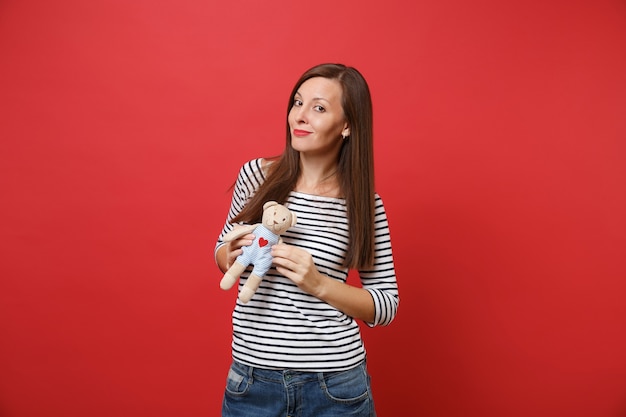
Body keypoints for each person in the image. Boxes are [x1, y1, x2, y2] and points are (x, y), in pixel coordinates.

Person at [214, 63, 399, 417]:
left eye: (319, 108)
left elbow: (385, 305)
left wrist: (318, 283)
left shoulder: (364, 204)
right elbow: (222, 253)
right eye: (297, 103)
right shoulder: (256, 175)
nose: (300, 116)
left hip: (335, 387)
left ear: (346, 125)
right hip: (252, 380)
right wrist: (233, 251)